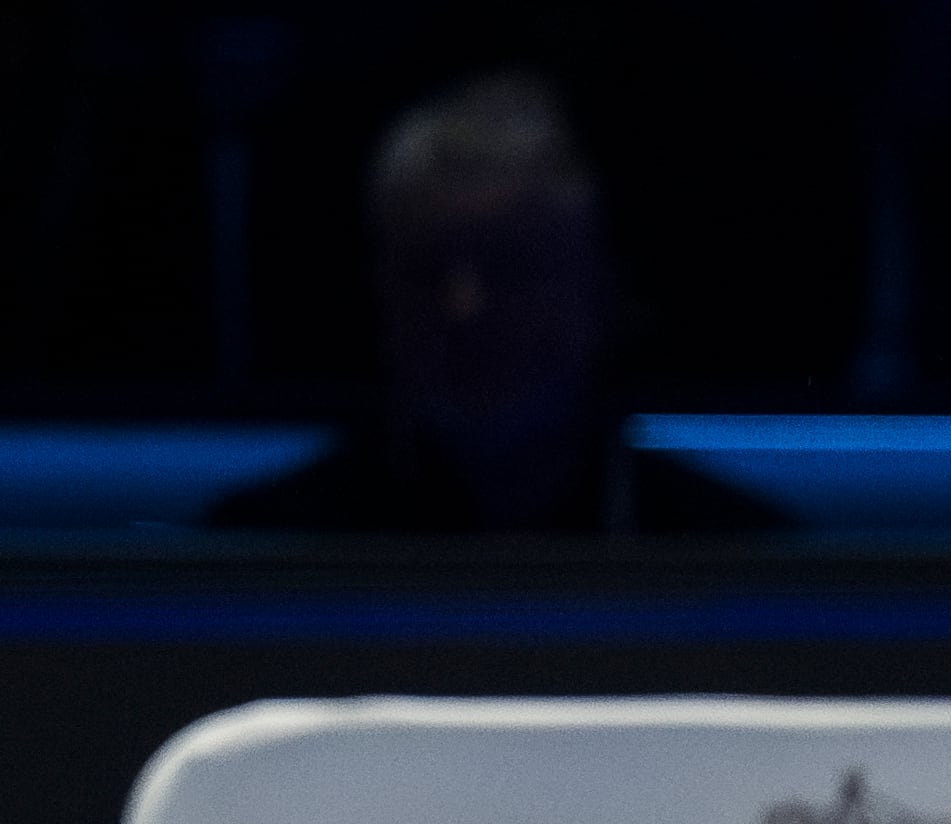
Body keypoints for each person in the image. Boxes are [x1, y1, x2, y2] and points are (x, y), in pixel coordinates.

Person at [203, 71, 782, 535]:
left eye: (510, 266)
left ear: (602, 293)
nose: (464, 307)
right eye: (425, 269)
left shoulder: (732, 555)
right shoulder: (263, 554)